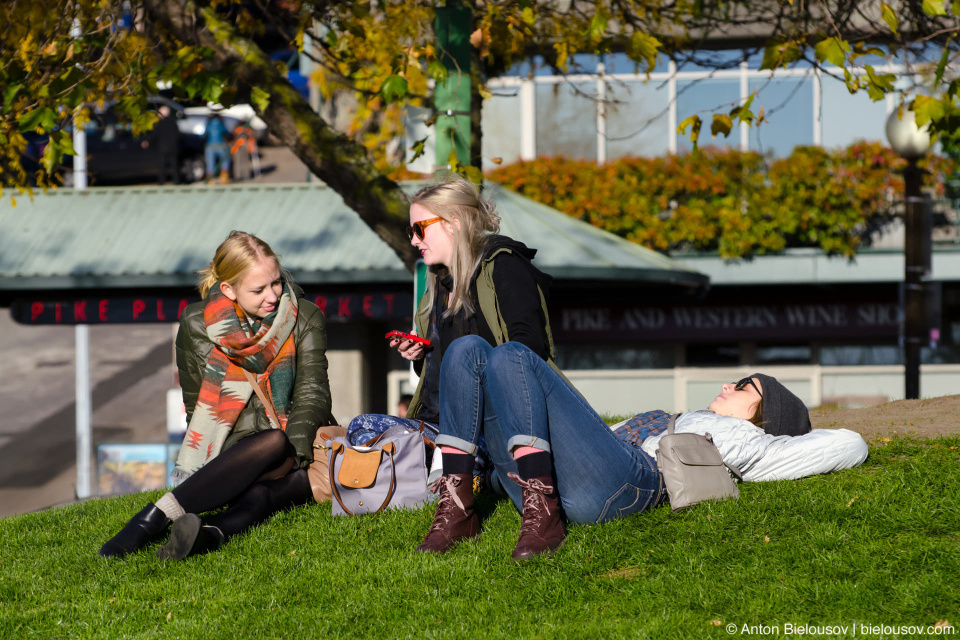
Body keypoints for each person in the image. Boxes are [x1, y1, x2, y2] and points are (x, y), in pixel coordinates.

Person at [418, 336, 869, 560]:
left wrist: (787, 432)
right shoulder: (686, 415)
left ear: (762, 410)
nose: (729, 383)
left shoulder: (742, 437)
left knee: (512, 355)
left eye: (746, 385)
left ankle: (542, 516)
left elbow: (849, 444)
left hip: (629, 483)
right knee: (466, 349)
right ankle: (458, 509)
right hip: (572, 470)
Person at [99, 231, 332, 560]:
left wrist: (296, 455)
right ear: (228, 289)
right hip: (234, 450)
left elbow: (313, 392)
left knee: (272, 466)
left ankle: (181, 527)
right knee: (266, 468)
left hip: (296, 445)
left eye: (276, 283)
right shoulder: (196, 323)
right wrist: (219, 464)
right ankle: (180, 528)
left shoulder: (304, 316)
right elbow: (196, 407)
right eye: (259, 289)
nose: (273, 295)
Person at [346, 175, 564, 475]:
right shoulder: (436, 281)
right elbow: (439, 377)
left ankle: (451, 468)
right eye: (410, 230)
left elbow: (527, 352)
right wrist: (421, 356)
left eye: (419, 229)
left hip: (494, 424)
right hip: (440, 423)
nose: (412, 240)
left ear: (454, 222)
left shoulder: (505, 264)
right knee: (362, 427)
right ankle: (441, 465)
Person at [153, 105, 180, 185]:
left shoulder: (159, 124)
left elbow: (155, 135)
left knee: (162, 167)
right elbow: (178, 135)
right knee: (174, 167)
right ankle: (176, 182)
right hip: (173, 148)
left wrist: (147, 142)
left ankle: (161, 182)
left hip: (163, 149)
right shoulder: (173, 123)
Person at [204, 113, 231, 184]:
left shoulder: (208, 124)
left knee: (210, 164)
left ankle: (210, 181)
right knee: (224, 163)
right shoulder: (221, 123)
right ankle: (224, 180)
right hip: (221, 145)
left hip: (210, 146)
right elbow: (228, 133)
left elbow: (204, 135)